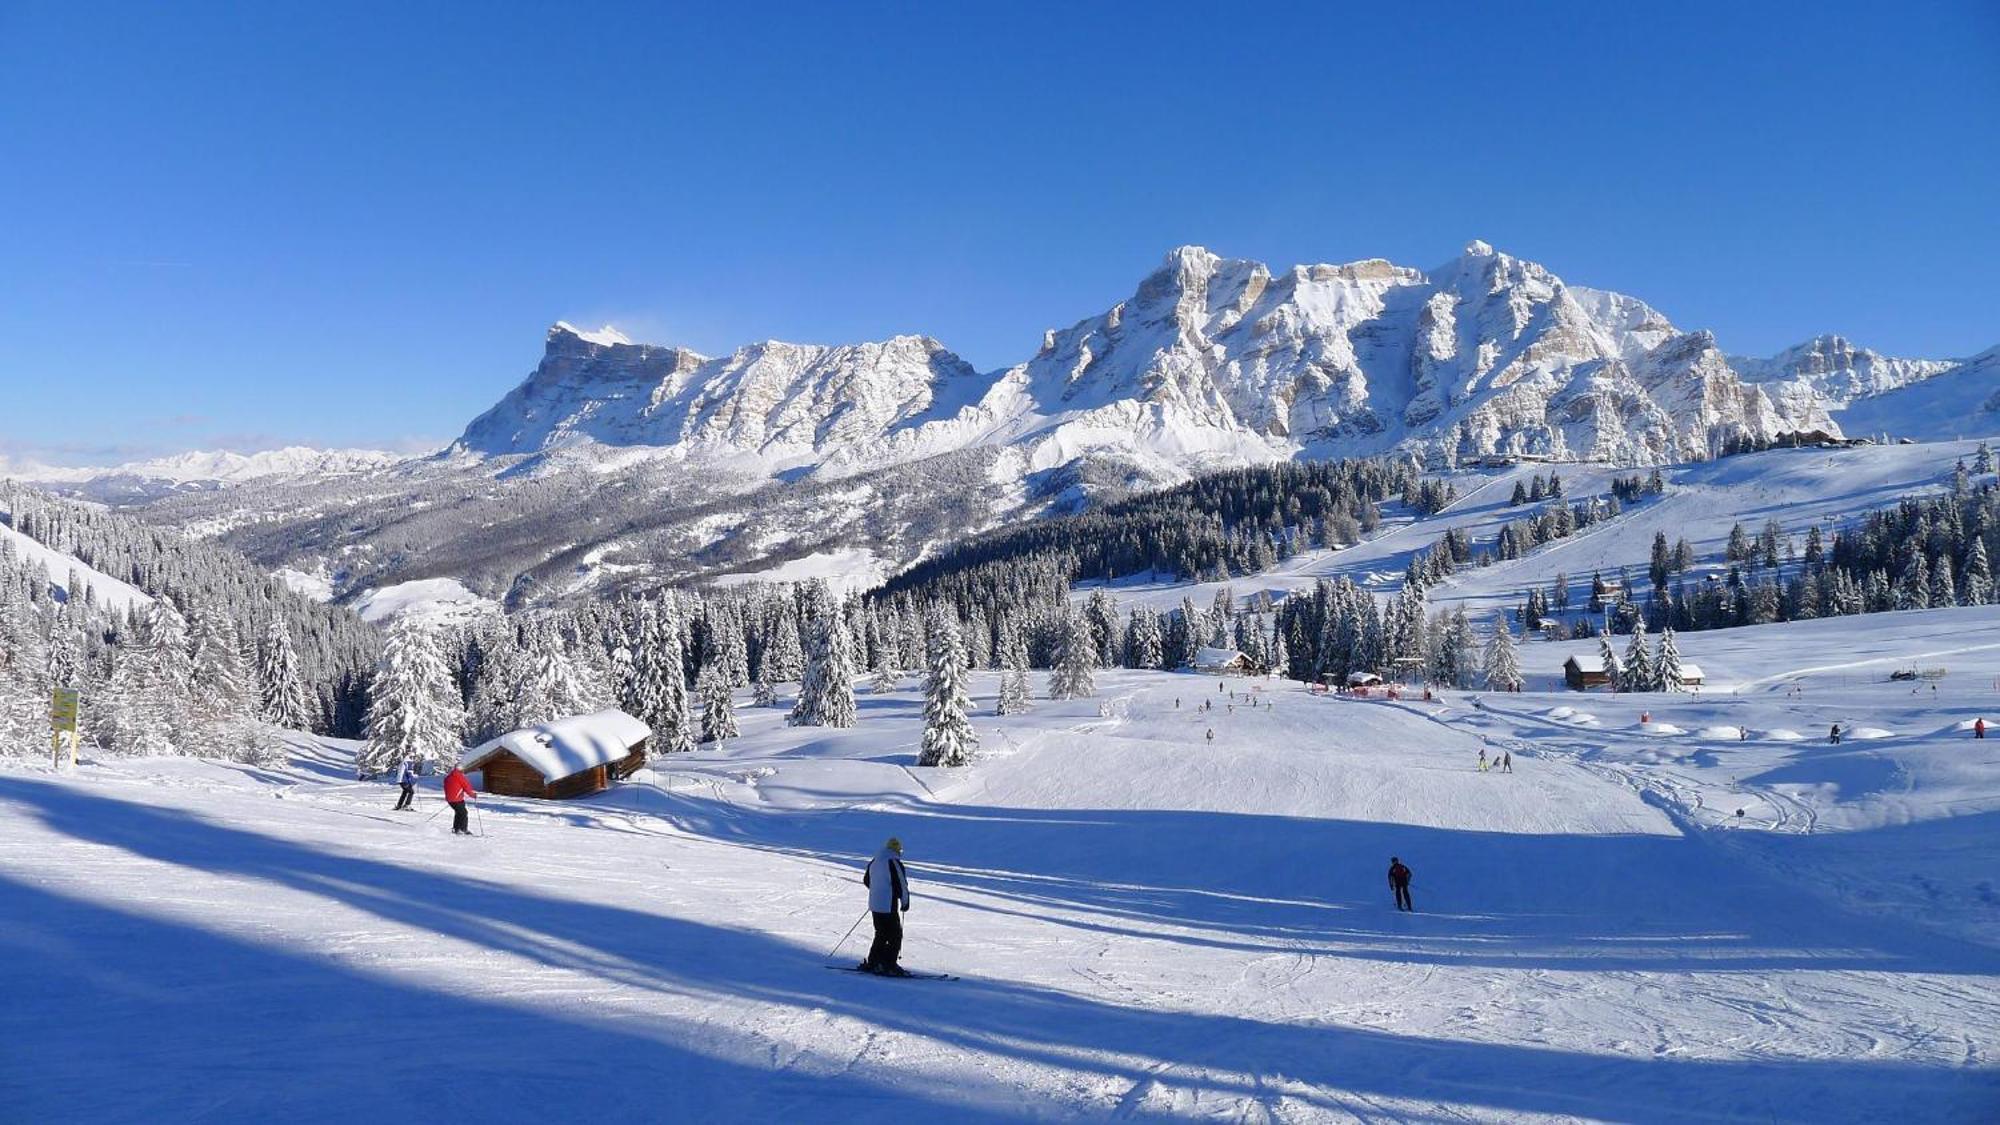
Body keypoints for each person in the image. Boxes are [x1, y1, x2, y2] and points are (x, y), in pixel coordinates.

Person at [860, 837, 911, 976]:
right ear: (896, 850)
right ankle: (889, 964)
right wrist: (905, 902)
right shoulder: (893, 861)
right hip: (888, 904)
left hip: (874, 904)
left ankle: (874, 962)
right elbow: (901, 884)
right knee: (895, 935)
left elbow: (866, 880)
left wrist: (878, 890)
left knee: (881, 934)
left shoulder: (875, 861)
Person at [443, 763, 476, 835]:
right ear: (461, 769)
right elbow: (466, 787)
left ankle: (456, 829)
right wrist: (473, 795)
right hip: (457, 799)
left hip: (450, 799)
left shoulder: (448, 776)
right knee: (463, 813)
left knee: (459, 812)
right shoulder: (460, 777)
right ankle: (463, 829)